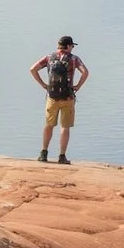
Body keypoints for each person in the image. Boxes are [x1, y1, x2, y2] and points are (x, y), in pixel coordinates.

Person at [30, 35, 88, 163]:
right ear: (68, 46)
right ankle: (62, 156)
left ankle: (43, 153)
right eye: (72, 46)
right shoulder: (74, 59)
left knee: (49, 125)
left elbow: (33, 69)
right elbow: (85, 72)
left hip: (52, 97)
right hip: (68, 97)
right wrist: (78, 86)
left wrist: (44, 85)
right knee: (65, 127)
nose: (72, 48)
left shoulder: (49, 57)